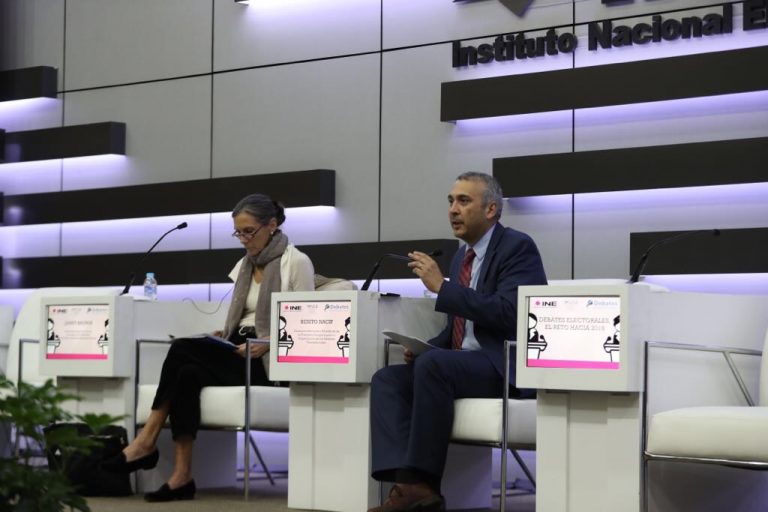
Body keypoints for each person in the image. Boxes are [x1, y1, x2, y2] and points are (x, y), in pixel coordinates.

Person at [103, 193, 314, 502]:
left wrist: (267, 344)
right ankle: (182, 476)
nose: (242, 239)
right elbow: (244, 314)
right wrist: (225, 334)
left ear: (271, 225)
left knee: (182, 350)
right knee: (187, 371)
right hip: (238, 347)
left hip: (270, 360)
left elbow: (306, 324)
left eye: (248, 231)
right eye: (238, 232)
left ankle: (145, 440)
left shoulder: (295, 261)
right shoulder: (245, 265)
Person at [368, 172, 547, 512]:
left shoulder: (517, 247)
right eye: (450, 201)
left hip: (501, 364)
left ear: (491, 208)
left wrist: (443, 288)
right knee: (388, 378)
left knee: (435, 366)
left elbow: (511, 314)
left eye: (463, 201)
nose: (453, 209)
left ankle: (422, 485)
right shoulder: (460, 256)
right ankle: (407, 485)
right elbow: (460, 328)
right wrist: (426, 345)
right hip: (461, 363)